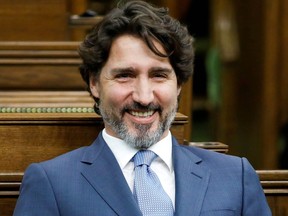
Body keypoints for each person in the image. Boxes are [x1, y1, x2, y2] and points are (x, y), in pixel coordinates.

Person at [13, 1, 271, 215]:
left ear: (179, 84)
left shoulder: (235, 177)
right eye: (125, 75)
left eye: (159, 75)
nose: (144, 97)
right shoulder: (51, 182)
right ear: (94, 83)